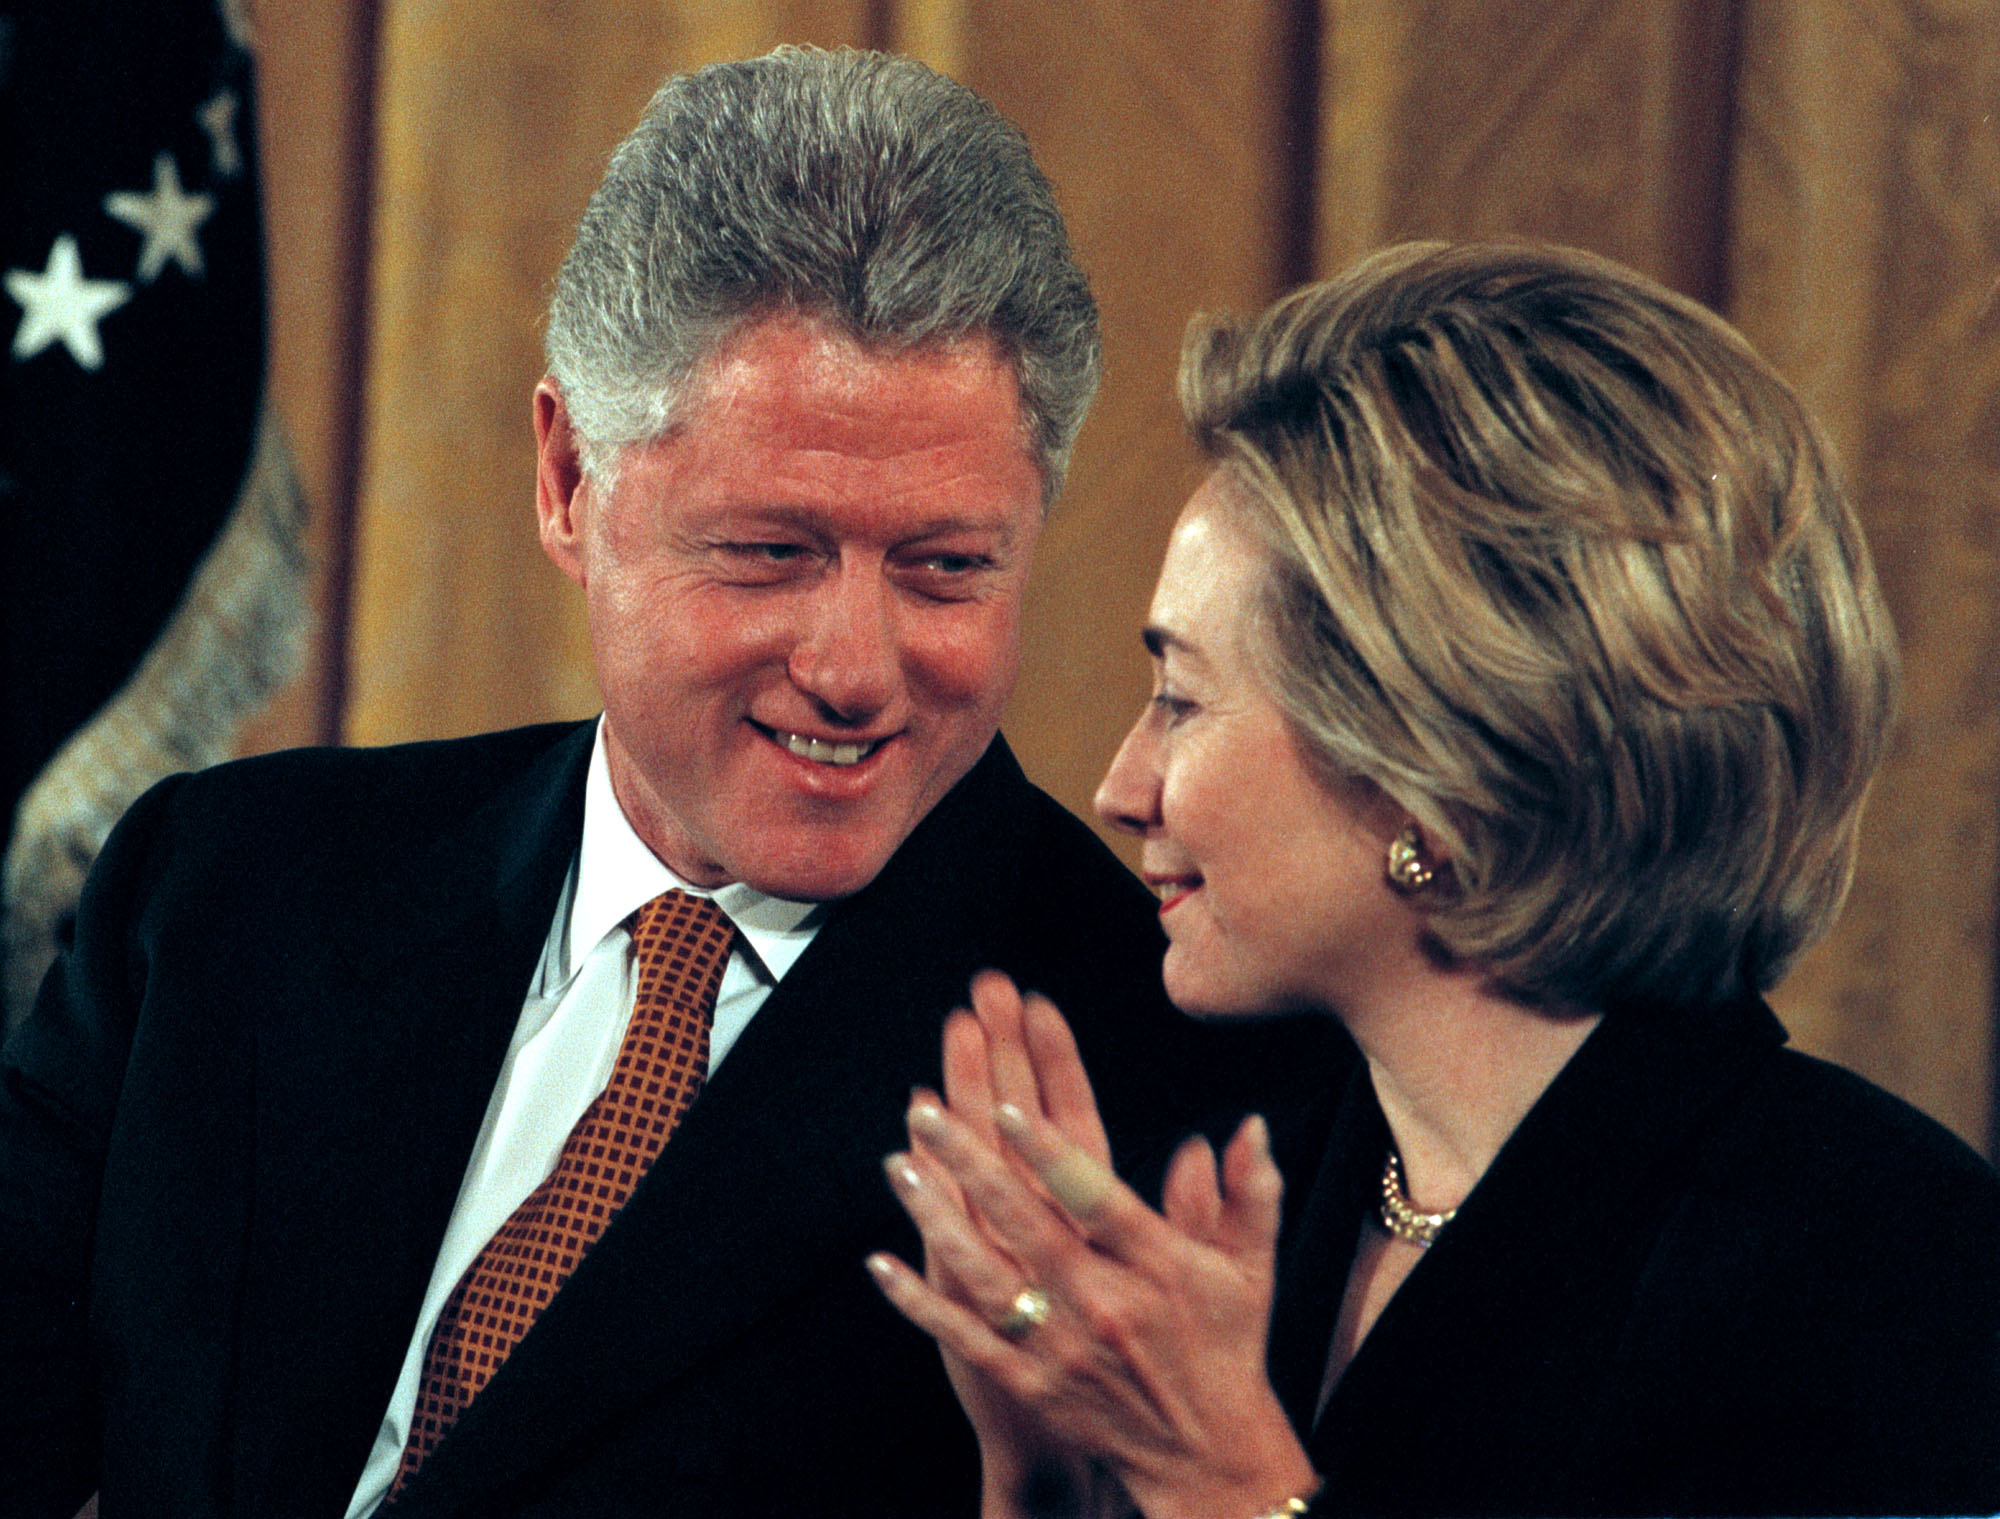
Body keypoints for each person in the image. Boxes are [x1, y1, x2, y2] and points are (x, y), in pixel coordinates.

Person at [0, 47, 1342, 1519]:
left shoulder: (1177, 1078)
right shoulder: (229, 882)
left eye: (947, 569)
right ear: (570, 479)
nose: (855, 665)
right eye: (770, 553)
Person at [870, 241, 2000, 1518]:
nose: (1120, 787)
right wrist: (1041, 1472)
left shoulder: (1874, 1259)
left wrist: (1229, 1483)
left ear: (1438, 774)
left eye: (1183, 699)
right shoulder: (1257, 1186)